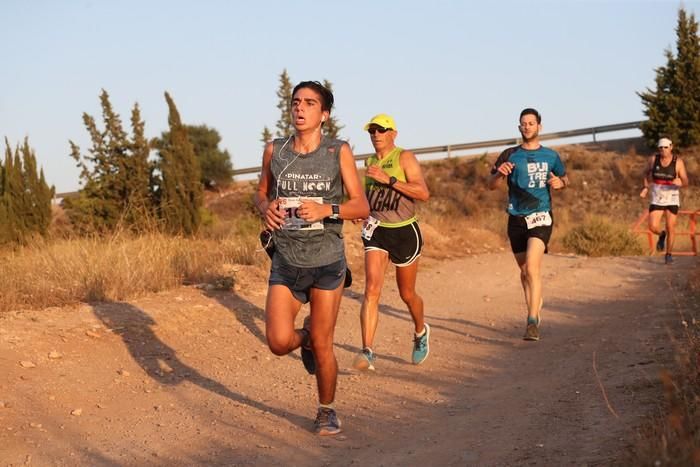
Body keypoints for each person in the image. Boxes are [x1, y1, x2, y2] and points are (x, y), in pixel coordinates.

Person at [254, 81, 369, 436]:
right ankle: (306, 339)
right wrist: (266, 209)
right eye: (295, 103)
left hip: (327, 262)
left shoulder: (338, 151)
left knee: (325, 344)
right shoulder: (276, 150)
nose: (300, 108)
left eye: (309, 103)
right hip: (287, 261)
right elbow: (260, 193)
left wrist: (326, 209)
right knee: (277, 342)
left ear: (324, 114)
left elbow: (361, 206)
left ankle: (326, 410)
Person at [352, 114, 431, 371]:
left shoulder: (404, 157)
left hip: (404, 231)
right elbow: (369, 195)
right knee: (371, 290)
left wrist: (390, 180)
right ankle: (367, 351)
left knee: (407, 294)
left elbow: (423, 193)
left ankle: (420, 331)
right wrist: (361, 210)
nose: (375, 135)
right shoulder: (370, 161)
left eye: (381, 130)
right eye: (372, 131)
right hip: (377, 231)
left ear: (393, 134)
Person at [488, 108, 568, 342]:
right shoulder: (509, 154)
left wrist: (560, 183)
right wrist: (498, 175)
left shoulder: (551, 155)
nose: (527, 127)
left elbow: (565, 177)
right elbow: (490, 184)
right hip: (516, 218)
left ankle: (532, 321)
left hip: (542, 216)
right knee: (524, 272)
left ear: (539, 127)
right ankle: (534, 304)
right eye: (523, 123)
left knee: (532, 268)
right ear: (519, 127)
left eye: (531, 123)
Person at [639, 137, 688, 264]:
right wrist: (645, 187)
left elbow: (686, 181)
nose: (663, 150)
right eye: (661, 147)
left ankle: (668, 255)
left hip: (672, 198)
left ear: (671, 147)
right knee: (652, 226)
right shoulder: (653, 160)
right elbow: (644, 174)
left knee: (671, 226)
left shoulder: (678, 162)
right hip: (657, 197)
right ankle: (662, 235)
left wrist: (680, 182)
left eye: (666, 147)